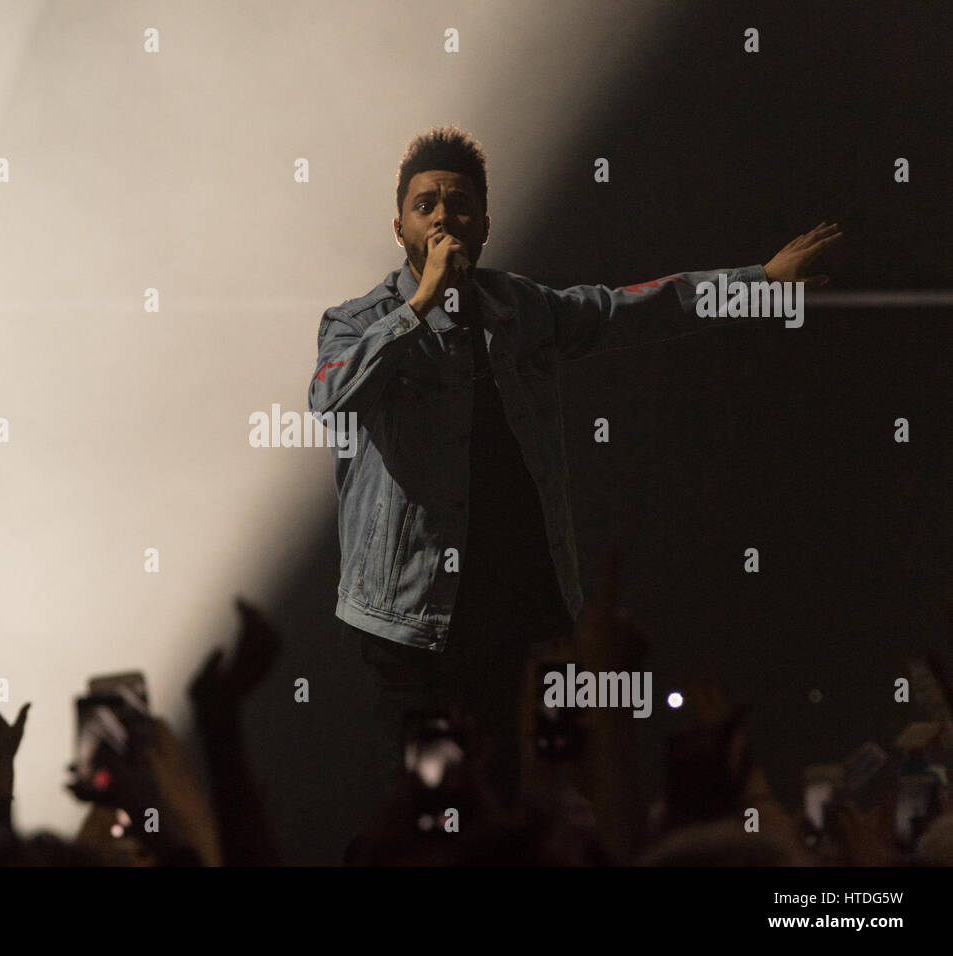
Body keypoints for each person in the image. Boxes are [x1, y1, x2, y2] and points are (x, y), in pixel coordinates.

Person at [309, 125, 842, 805]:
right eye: (426, 204)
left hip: (522, 612)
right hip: (414, 625)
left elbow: (635, 310)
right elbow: (330, 395)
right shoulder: (356, 321)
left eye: (460, 204)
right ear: (399, 226)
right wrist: (420, 305)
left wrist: (759, 284)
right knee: (437, 812)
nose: (444, 215)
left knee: (532, 803)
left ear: (485, 225)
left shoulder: (520, 309)